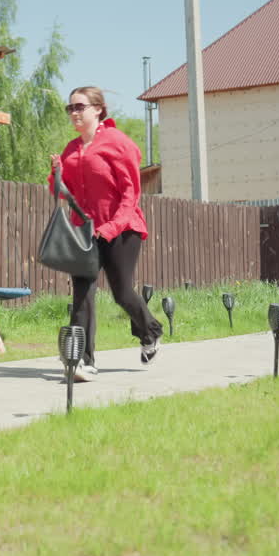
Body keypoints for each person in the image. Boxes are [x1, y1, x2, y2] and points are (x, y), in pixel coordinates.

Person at [49, 85, 163, 382]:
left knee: (121, 292)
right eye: (70, 108)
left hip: (122, 229)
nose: (74, 113)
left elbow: (131, 194)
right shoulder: (72, 149)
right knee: (82, 293)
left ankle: (150, 330)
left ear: (98, 109)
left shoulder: (118, 143)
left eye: (79, 107)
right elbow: (60, 191)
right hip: (85, 232)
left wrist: (111, 227)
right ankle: (81, 361)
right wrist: (56, 173)